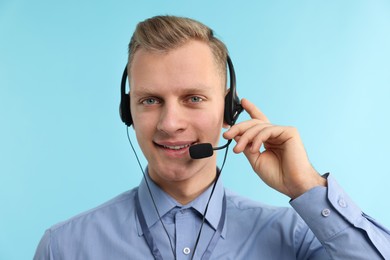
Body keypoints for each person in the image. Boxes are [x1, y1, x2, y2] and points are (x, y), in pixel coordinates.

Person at [34, 15, 390, 259]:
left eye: (193, 98)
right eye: (150, 100)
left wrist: (308, 187)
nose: (170, 123)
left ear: (228, 109)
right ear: (128, 111)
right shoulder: (63, 247)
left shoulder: (296, 238)